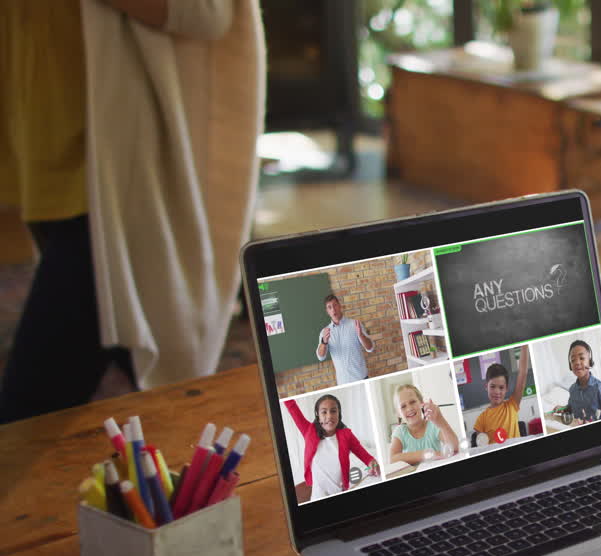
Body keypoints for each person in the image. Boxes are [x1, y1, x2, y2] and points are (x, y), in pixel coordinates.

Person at [0, 0, 264, 423]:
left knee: (27, 411)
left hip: (116, 184)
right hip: (47, 163)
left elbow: (208, 11)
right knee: (140, 380)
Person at [284, 395, 379, 503]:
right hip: (318, 496)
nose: (329, 416)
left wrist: (372, 463)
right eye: (324, 412)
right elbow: (291, 407)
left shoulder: (347, 435)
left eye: (333, 411)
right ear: (318, 415)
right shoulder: (309, 431)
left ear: (339, 413)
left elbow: (366, 456)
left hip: (341, 491)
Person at [388, 384, 460, 465]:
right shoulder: (400, 432)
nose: (409, 408)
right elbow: (392, 459)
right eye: (403, 406)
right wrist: (425, 454)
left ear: (422, 403)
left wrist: (440, 420)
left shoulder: (433, 425)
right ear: (398, 413)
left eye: (412, 402)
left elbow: (454, 448)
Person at [473, 346, 530, 443]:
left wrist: (524, 346)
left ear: (506, 388)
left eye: (501, 387)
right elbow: (482, 445)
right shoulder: (481, 419)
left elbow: (523, 373)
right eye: (492, 386)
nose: (497, 391)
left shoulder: (512, 404)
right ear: (486, 386)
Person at [316, 294, 375, 385]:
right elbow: (320, 357)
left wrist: (361, 335)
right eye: (329, 307)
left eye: (335, 305)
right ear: (327, 311)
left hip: (361, 379)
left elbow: (370, 348)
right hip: (343, 383)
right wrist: (324, 342)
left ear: (339, 306)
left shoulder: (355, 324)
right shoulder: (325, 332)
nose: (333, 309)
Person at [565, 340, 601, 423]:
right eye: (573, 360)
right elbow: (570, 407)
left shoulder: (600, 388)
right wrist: (562, 409)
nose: (577, 362)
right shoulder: (572, 389)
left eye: (582, 358)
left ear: (590, 361)